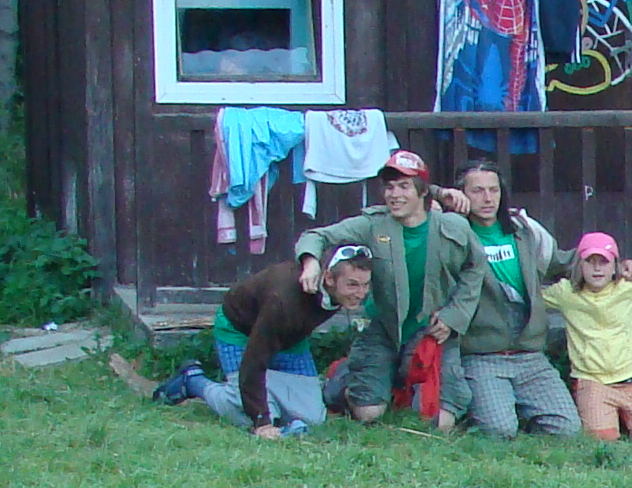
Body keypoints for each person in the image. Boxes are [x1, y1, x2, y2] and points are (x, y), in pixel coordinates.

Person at [301, 150, 476, 426]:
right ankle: (345, 376)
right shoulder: (373, 224)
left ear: (422, 192)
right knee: (368, 414)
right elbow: (317, 235)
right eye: (390, 187)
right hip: (384, 328)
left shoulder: (452, 226)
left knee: (441, 422)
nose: (394, 195)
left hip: (432, 328)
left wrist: (453, 316)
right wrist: (311, 263)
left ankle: (397, 380)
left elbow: (475, 268)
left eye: (404, 187)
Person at [161, 244, 373, 437]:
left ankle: (263, 396)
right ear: (328, 278)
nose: (361, 293)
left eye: (365, 285)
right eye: (352, 285)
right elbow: (254, 361)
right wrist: (261, 421)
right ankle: (194, 381)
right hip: (241, 332)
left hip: (290, 338)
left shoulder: (333, 288)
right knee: (245, 414)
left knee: (313, 417)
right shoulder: (283, 302)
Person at [439, 161, 580, 437]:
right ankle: (487, 412)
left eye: (494, 190)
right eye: (477, 191)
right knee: (499, 430)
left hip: (529, 355)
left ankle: (519, 411)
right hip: (482, 355)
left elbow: (561, 262)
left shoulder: (523, 228)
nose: (487, 198)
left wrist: (611, 260)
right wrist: (440, 198)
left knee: (567, 429)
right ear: (461, 194)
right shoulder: (452, 235)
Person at [540, 232, 632, 442]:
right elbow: (528, 295)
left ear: (615, 266)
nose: (597, 268)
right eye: (590, 261)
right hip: (593, 381)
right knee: (602, 440)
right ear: (579, 265)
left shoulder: (629, 284)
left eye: (604, 262)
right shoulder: (565, 293)